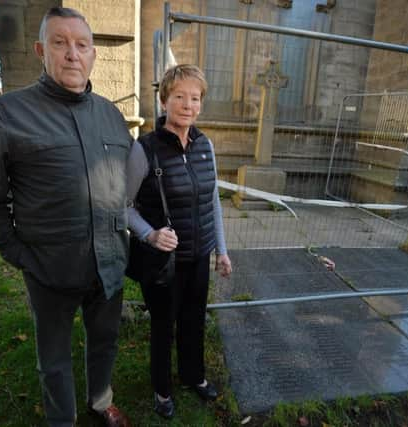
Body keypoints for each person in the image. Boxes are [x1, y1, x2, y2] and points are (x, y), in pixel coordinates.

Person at [0, 7, 132, 427]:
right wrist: (21, 255)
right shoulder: (6, 114)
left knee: (105, 342)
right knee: (54, 358)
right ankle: (63, 420)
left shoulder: (111, 115)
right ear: (42, 50)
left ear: (94, 54)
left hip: (108, 263)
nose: (72, 54)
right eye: (60, 43)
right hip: (49, 267)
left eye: (82, 45)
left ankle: (99, 403)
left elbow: (127, 184)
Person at [127, 64, 232, 419]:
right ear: (164, 100)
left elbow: (212, 200)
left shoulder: (205, 146)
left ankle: (193, 376)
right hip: (163, 262)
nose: (188, 105)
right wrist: (150, 234)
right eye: (180, 97)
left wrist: (221, 250)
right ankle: (162, 389)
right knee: (163, 325)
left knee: (194, 319)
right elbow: (122, 207)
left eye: (195, 98)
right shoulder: (145, 149)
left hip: (199, 256)